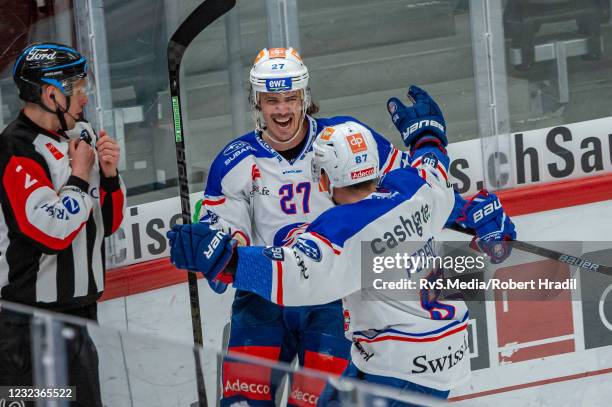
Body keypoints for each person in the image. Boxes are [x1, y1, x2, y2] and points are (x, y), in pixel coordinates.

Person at [169, 86, 516, 405]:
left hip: (396, 367)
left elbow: (291, 273)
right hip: (443, 349)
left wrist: (225, 259)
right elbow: (432, 164)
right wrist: (427, 134)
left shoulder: (341, 232)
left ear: (323, 179)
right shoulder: (414, 187)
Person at [196, 47, 406, 406]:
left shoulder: (347, 138)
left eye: (291, 98)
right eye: (271, 100)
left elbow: (406, 187)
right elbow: (223, 245)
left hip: (330, 300)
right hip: (263, 297)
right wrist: (212, 252)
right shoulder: (234, 160)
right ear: (257, 103)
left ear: (305, 98)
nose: (281, 110)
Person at [0, 42, 126, 406]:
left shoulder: (79, 134)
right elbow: (49, 233)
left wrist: (110, 176)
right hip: (27, 330)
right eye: (80, 90)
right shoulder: (15, 150)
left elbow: (109, 222)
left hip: (77, 320)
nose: (85, 99)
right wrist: (81, 176)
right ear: (52, 94)